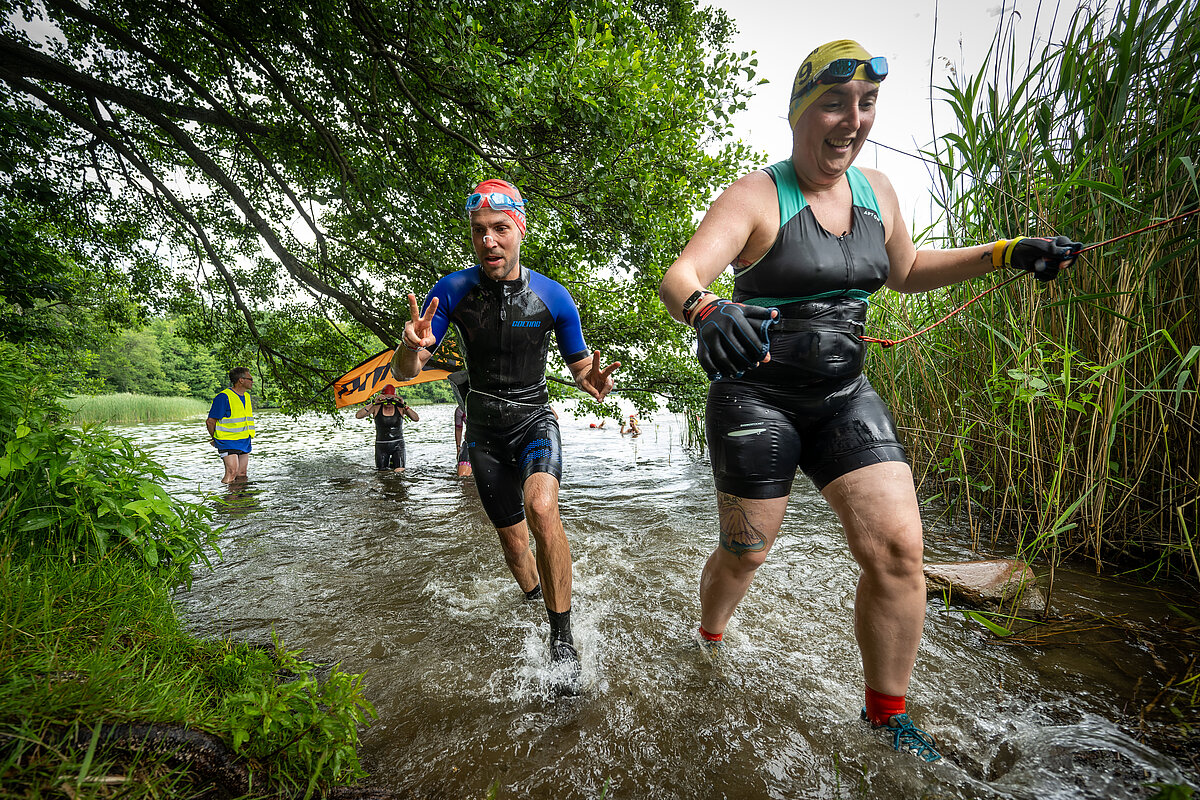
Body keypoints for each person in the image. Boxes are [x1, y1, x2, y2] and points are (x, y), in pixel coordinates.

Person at [658, 40, 1081, 761]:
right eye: (834, 103)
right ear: (799, 113)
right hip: (756, 398)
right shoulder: (757, 194)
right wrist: (705, 309)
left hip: (844, 395)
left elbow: (908, 270)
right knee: (746, 551)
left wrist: (1006, 251)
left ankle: (886, 716)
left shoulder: (879, 191)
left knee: (897, 551)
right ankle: (709, 634)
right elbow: (682, 274)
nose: (853, 121)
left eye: (866, 105)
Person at [391, 178, 618, 685]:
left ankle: (561, 638)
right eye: (478, 231)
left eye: (499, 228)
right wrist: (409, 347)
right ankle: (538, 600)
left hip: (534, 420)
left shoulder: (553, 297)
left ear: (518, 229)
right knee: (516, 549)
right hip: (485, 435)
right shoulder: (452, 292)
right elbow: (407, 372)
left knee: (542, 507)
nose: (488, 240)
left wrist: (592, 381)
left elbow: (580, 368)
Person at [206, 367, 255, 484]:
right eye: (250, 379)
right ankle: (227, 499)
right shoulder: (223, 397)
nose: (252, 382)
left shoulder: (247, 396)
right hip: (227, 441)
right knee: (231, 472)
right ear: (241, 380)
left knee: (242, 474)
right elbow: (210, 421)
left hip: (244, 439)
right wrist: (215, 438)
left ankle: (242, 501)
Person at [356, 384, 419, 471]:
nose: (389, 402)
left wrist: (404, 405)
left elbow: (416, 418)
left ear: (395, 398)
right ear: (382, 397)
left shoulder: (400, 408)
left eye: (391, 399)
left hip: (398, 444)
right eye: (386, 398)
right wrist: (373, 402)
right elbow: (358, 415)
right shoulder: (376, 407)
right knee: (382, 473)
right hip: (381, 445)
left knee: (399, 473)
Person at [454, 404, 473, 477]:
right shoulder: (460, 410)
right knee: (463, 475)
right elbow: (458, 429)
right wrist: (458, 448)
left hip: (488, 441)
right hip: (471, 443)